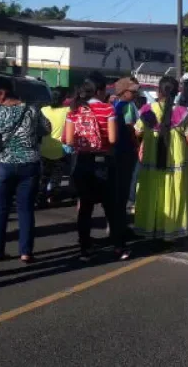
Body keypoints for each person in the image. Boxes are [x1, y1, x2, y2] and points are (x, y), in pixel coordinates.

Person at [0, 76, 47, 264]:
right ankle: (26, 252)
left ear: (2, 92)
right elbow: (46, 129)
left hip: (4, 164)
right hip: (30, 163)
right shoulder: (31, 109)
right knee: (26, 209)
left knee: (0, 208)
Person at [65, 75, 130, 260]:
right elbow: (112, 139)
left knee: (85, 207)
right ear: (100, 91)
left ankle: (85, 247)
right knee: (111, 206)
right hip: (104, 161)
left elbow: (69, 140)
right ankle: (119, 247)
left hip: (82, 161)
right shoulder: (107, 109)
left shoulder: (74, 110)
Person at [133, 76, 188, 242]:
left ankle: (151, 228)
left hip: (151, 162)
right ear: (178, 92)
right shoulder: (182, 113)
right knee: (174, 195)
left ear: (158, 91)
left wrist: (143, 144)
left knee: (152, 195)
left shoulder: (147, 111)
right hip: (176, 163)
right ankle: (172, 231)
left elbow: (137, 132)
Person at [112, 77, 140, 236]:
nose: (136, 93)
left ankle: (117, 224)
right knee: (122, 190)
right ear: (123, 92)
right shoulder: (125, 106)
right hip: (124, 152)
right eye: (133, 91)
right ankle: (119, 227)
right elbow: (131, 128)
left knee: (118, 192)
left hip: (117, 152)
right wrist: (136, 142)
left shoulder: (115, 104)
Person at [37, 86, 70, 208]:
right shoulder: (68, 111)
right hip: (60, 149)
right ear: (63, 98)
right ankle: (53, 197)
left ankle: (40, 198)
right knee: (56, 176)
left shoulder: (43, 110)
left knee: (43, 176)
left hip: (44, 148)